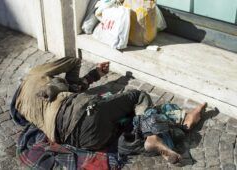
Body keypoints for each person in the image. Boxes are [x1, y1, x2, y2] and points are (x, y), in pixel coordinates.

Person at [11, 56, 207, 164]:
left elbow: (71, 91)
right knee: (137, 97)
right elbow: (73, 61)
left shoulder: (22, 108)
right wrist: (90, 74)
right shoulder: (35, 74)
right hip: (84, 115)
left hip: (81, 141)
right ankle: (158, 133)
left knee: (124, 129)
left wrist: (95, 75)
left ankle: (160, 136)